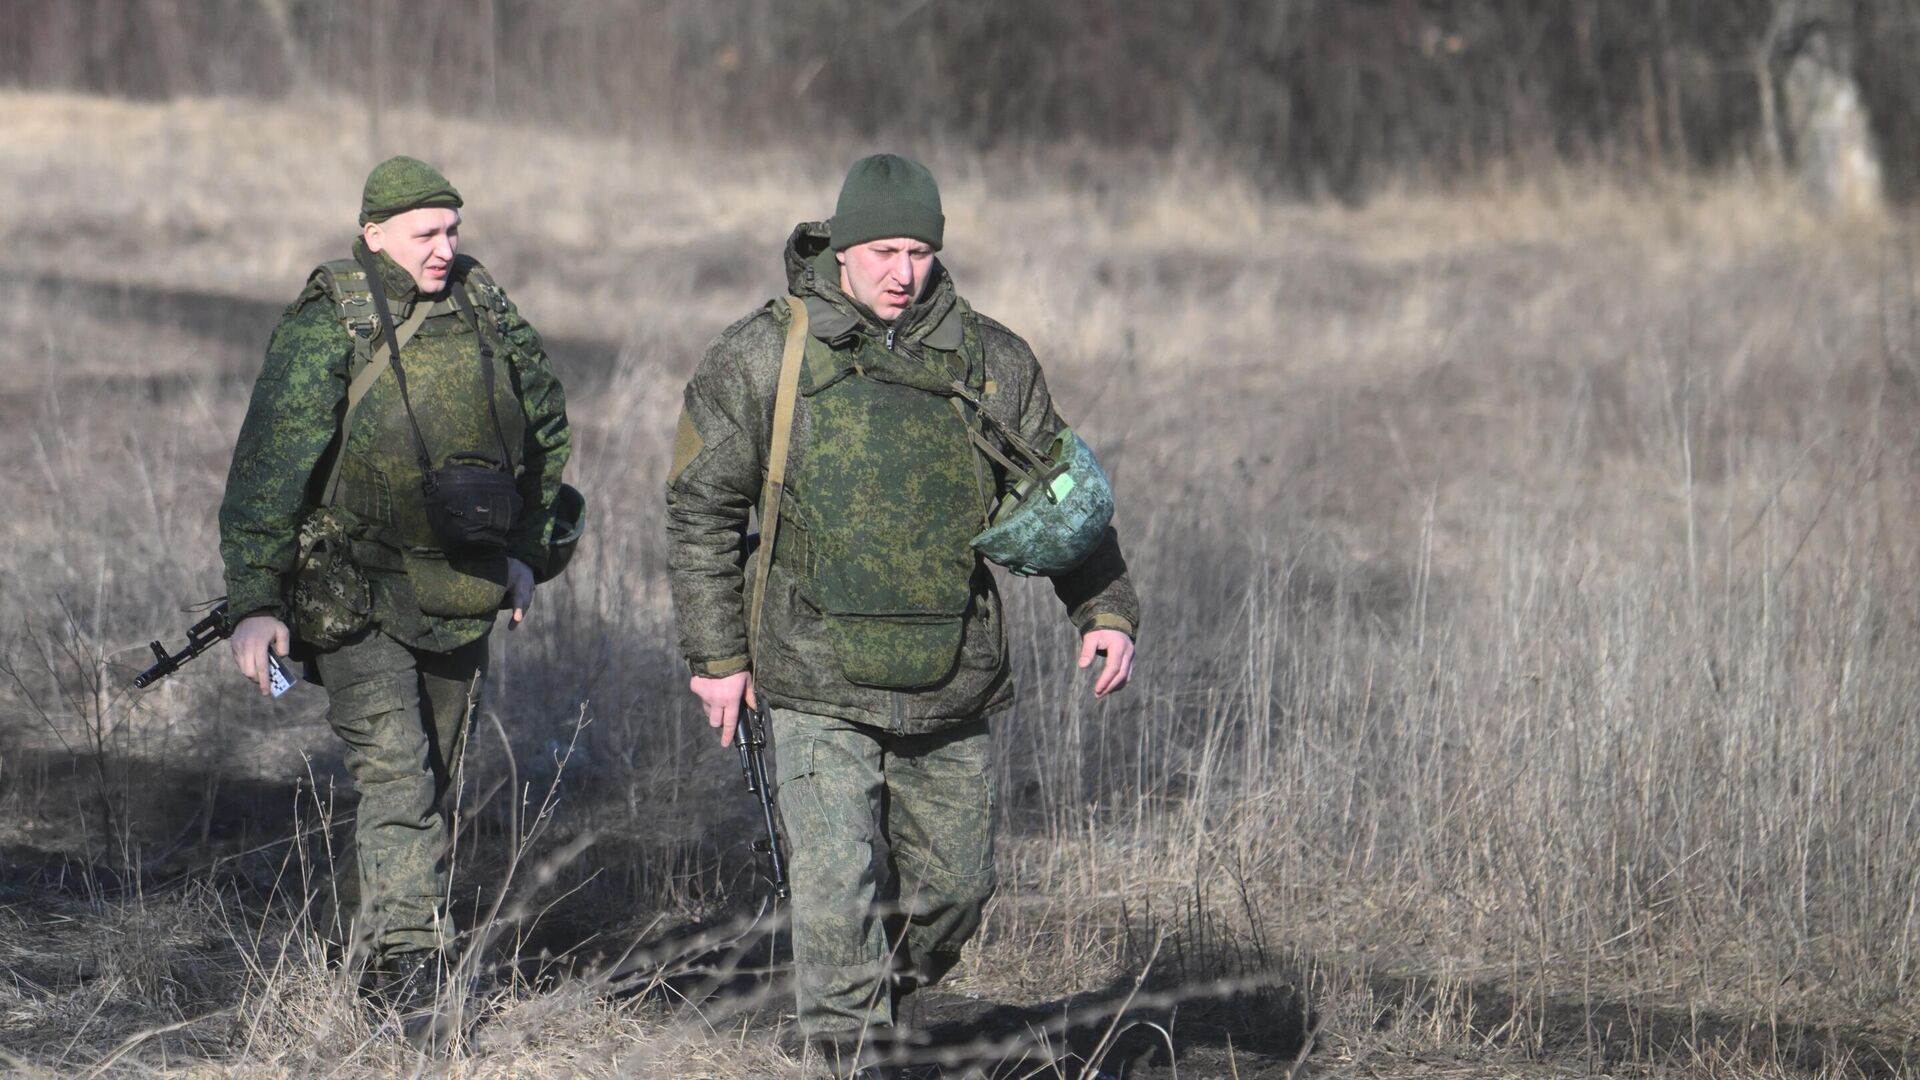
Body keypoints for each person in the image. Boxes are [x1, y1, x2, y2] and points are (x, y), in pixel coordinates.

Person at [666, 153, 1139, 1068]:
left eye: (919, 250)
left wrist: (1104, 610)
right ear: (841, 248)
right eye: (882, 248)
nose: (901, 271)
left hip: (950, 677)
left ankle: (874, 988)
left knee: (958, 892)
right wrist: (718, 657)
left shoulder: (990, 359)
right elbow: (701, 508)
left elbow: (1060, 496)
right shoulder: (769, 352)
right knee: (836, 888)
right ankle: (847, 1042)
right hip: (810, 672)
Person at [218, 155, 572, 1006]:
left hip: (461, 590)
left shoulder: (486, 308)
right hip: (353, 593)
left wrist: (528, 550)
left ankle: (348, 945)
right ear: (374, 234)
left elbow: (548, 432)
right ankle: (408, 975)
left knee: (431, 786)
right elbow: (270, 467)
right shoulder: (331, 319)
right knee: (398, 778)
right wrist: (256, 603)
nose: (446, 246)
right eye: (426, 233)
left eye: (454, 229)